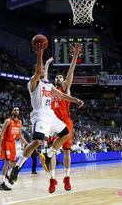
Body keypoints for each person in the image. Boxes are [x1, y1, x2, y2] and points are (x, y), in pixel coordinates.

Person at [9, 40, 84, 191]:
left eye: (44, 69)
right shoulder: (33, 82)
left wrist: (75, 100)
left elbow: (62, 95)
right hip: (40, 116)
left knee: (66, 134)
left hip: (53, 117)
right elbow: (38, 72)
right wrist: (40, 54)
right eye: (41, 69)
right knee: (37, 142)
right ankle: (19, 168)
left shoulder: (51, 86)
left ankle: (50, 156)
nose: (43, 70)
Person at [43, 43, 81, 192]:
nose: (58, 78)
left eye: (60, 77)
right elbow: (44, 78)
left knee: (66, 151)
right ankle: (52, 179)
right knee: (52, 150)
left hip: (66, 122)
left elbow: (71, 73)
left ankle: (66, 177)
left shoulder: (65, 88)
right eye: (57, 77)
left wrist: (75, 57)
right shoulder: (51, 90)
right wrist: (46, 64)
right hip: (52, 123)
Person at [0, 107, 28, 191]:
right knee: (7, 163)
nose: (16, 111)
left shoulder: (20, 122)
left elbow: (20, 135)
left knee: (13, 163)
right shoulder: (8, 121)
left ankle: (8, 175)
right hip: (6, 143)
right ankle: (2, 183)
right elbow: (1, 133)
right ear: (12, 111)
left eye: (18, 110)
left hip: (13, 143)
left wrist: (27, 144)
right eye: (14, 109)